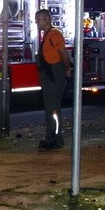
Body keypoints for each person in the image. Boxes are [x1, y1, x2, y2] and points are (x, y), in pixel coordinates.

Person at [35, 8, 73, 150]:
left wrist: (67, 69)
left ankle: (54, 139)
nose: (36, 22)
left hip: (53, 74)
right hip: (49, 74)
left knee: (52, 108)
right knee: (52, 108)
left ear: (46, 19)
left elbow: (63, 53)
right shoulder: (48, 35)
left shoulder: (54, 35)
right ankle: (54, 137)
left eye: (38, 19)